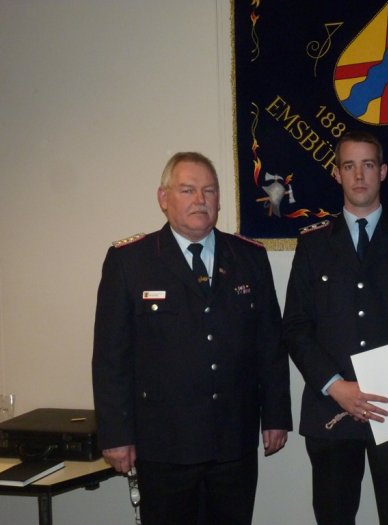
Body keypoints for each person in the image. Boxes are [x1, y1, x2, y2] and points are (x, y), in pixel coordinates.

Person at [92, 151, 292, 525]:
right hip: (163, 443)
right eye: (187, 190)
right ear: (163, 198)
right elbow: (110, 358)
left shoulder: (248, 256)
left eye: (209, 191)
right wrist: (116, 434)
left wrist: (276, 416)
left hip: (233, 439)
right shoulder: (130, 261)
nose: (200, 200)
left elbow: (270, 344)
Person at [282, 130, 388, 525]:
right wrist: (336, 386)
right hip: (331, 410)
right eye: (349, 166)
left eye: (368, 165)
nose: (359, 176)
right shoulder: (313, 244)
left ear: (383, 171)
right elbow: (296, 326)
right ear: (337, 174)